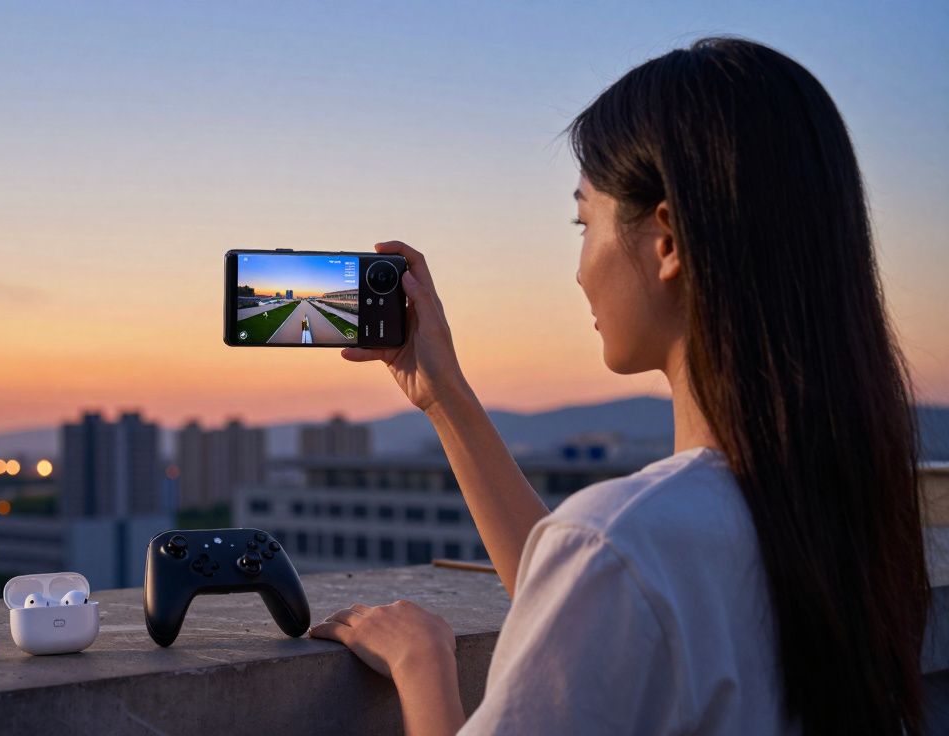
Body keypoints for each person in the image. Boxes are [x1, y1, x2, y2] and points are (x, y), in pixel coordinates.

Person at [309, 36, 928, 735]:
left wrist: (423, 665)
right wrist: (444, 394)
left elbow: (606, 572)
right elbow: (591, 598)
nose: (578, 269)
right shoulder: (840, 510)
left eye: (585, 221)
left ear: (668, 242)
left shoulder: (625, 542)